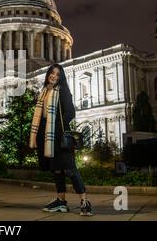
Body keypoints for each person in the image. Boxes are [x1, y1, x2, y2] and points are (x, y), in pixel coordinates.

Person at [29, 63, 93, 216]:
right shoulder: (43, 91)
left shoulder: (62, 90)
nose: (54, 76)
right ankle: (61, 201)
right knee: (56, 169)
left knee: (70, 168)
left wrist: (58, 128)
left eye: (58, 74)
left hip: (57, 133)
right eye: (52, 73)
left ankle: (84, 201)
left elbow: (70, 112)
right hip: (45, 133)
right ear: (48, 74)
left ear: (61, 77)